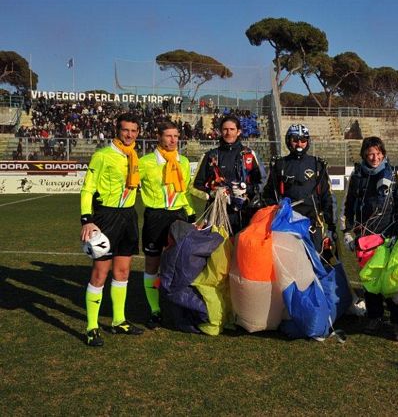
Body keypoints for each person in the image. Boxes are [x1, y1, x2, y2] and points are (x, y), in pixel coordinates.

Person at [80, 113, 144, 347]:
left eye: (134, 130)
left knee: (123, 272)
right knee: (100, 273)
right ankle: (92, 327)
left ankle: (119, 321)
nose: (129, 135)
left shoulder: (136, 156)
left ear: (138, 132)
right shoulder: (102, 156)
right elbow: (87, 189)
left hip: (128, 216)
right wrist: (86, 219)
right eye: (126, 130)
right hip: (105, 217)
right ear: (117, 130)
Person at [340, 137, 398, 341]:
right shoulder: (357, 174)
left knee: (390, 282)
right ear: (363, 155)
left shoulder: (393, 174)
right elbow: (348, 204)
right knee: (369, 280)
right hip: (365, 238)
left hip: (388, 236)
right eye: (370, 153)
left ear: (384, 153)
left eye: (378, 153)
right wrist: (346, 231)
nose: (374, 157)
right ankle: (374, 316)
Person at [139, 120, 196, 329]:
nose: (173, 140)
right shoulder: (144, 162)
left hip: (178, 216)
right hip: (155, 217)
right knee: (152, 265)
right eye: (169, 136)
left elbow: (186, 191)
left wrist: (191, 213)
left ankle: (180, 306)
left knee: (180, 264)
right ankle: (155, 310)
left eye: (176, 136)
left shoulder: (183, 161)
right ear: (159, 137)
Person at [263, 124, 336, 258]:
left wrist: (331, 224)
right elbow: (269, 195)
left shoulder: (317, 164)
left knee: (315, 260)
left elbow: (327, 196)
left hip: (312, 222)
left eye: (303, 140)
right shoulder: (280, 165)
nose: (299, 144)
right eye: (295, 140)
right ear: (288, 140)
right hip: (287, 223)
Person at [193, 115, 264, 235]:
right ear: (220, 131)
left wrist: (247, 190)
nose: (228, 133)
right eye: (225, 129)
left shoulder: (249, 155)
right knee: (217, 251)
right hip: (217, 213)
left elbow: (262, 183)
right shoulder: (210, 156)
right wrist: (212, 193)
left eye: (232, 129)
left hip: (244, 214)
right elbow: (195, 185)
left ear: (238, 131)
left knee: (241, 251)